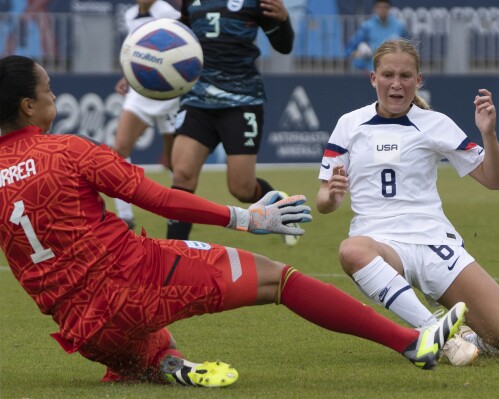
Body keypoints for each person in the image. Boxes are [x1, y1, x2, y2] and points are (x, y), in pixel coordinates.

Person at [0, 55, 468, 387]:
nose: (54, 96)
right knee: (280, 280)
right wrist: (248, 217)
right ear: (27, 106)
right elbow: (162, 199)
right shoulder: (67, 150)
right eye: (47, 90)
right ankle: (411, 342)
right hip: (138, 279)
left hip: (83, 329)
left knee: (147, 344)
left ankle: (168, 366)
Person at [316, 39, 499, 366]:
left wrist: (489, 133)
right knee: (351, 249)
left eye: (405, 76)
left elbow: (494, 181)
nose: (396, 83)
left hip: (433, 243)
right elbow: (323, 202)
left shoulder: (435, 123)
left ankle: (463, 337)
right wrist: (331, 195)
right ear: (373, 78)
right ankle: (433, 330)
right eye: (388, 74)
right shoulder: (350, 124)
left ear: (418, 81)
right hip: (380, 243)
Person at [167, 0, 299, 246]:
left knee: (241, 188)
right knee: (182, 173)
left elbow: (284, 47)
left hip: (241, 102)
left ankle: (282, 205)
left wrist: (284, 21)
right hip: (197, 100)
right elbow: (179, 39)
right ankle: (174, 253)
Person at [112, 0, 181, 230]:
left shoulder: (167, 12)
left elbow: (183, 47)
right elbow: (136, 52)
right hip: (141, 90)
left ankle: (180, 211)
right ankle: (125, 216)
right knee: (120, 149)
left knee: (174, 163)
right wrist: (128, 75)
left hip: (169, 92)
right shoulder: (131, 14)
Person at [344, 0, 405, 73]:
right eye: (379, 7)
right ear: (375, 8)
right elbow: (349, 49)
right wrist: (360, 59)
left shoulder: (399, 26)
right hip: (372, 72)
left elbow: (406, 49)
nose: (382, 10)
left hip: (394, 72)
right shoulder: (367, 26)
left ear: (390, 8)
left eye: (385, 7)